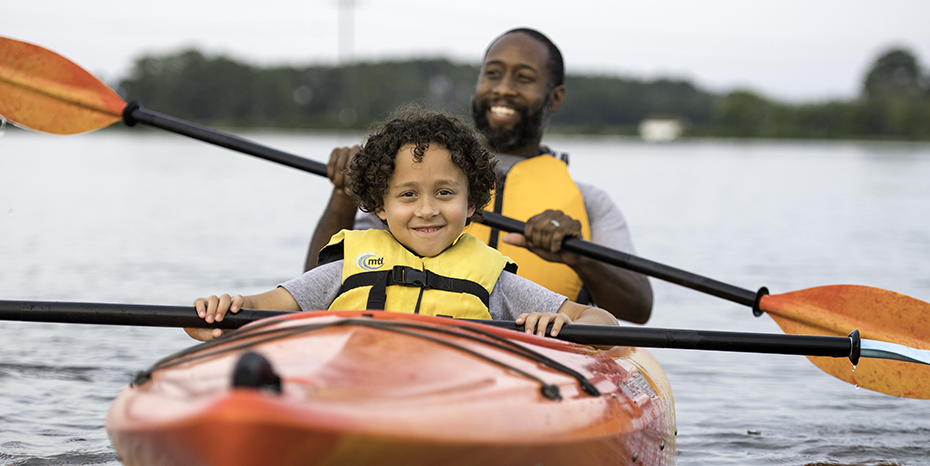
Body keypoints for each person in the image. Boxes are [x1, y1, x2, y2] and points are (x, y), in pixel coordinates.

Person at [304, 28, 654, 324]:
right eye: (492, 73)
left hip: (541, 357)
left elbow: (638, 308)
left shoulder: (590, 203)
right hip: (416, 345)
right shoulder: (406, 183)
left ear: (556, 97)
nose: (503, 88)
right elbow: (317, 285)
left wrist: (578, 254)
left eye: (524, 78)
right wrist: (347, 191)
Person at [188, 108, 618, 341]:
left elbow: (602, 324)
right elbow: (261, 309)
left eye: (445, 194)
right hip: (349, 394)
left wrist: (565, 324)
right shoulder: (343, 271)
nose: (427, 210)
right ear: (378, 204)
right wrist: (223, 310)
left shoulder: (494, 282)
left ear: (472, 204)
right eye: (407, 195)